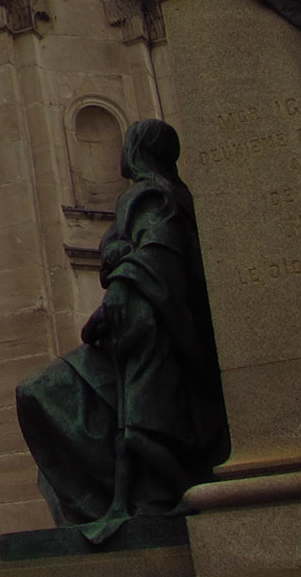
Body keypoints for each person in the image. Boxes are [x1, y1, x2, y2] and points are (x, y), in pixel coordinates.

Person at [15, 119, 229, 542]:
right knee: (59, 401)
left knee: (119, 425)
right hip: (133, 325)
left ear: (137, 149)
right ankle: (125, 502)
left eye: (126, 143)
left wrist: (118, 288)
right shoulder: (158, 197)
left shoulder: (153, 195)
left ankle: (185, 501)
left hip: (144, 325)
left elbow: (154, 256)